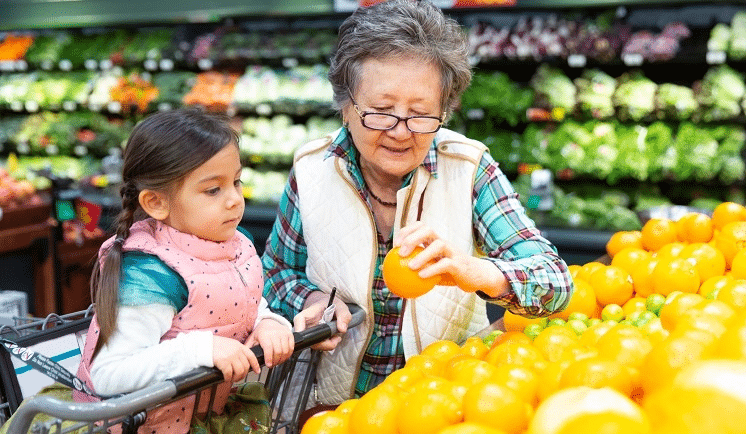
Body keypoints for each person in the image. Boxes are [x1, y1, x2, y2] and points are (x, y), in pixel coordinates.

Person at [262, 0, 573, 406]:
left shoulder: (469, 168)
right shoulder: (311, 170)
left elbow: (556, 283)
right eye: (381, 111)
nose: (400, 131)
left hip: (447, 404)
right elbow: (277, 271)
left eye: (421, 114)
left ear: (444, 110)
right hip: (336, 406)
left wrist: (475, 272)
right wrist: (313, 300)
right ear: (345, 106)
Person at [73, 108, 295, 433]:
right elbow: (108, 375)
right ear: (157, 203)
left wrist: (268, 322)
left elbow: (242, 300)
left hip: (199, 416)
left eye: (236, 181)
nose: (235, 199)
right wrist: (200, 349)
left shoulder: (233, 243)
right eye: (213, 190)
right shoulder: (152, 272)